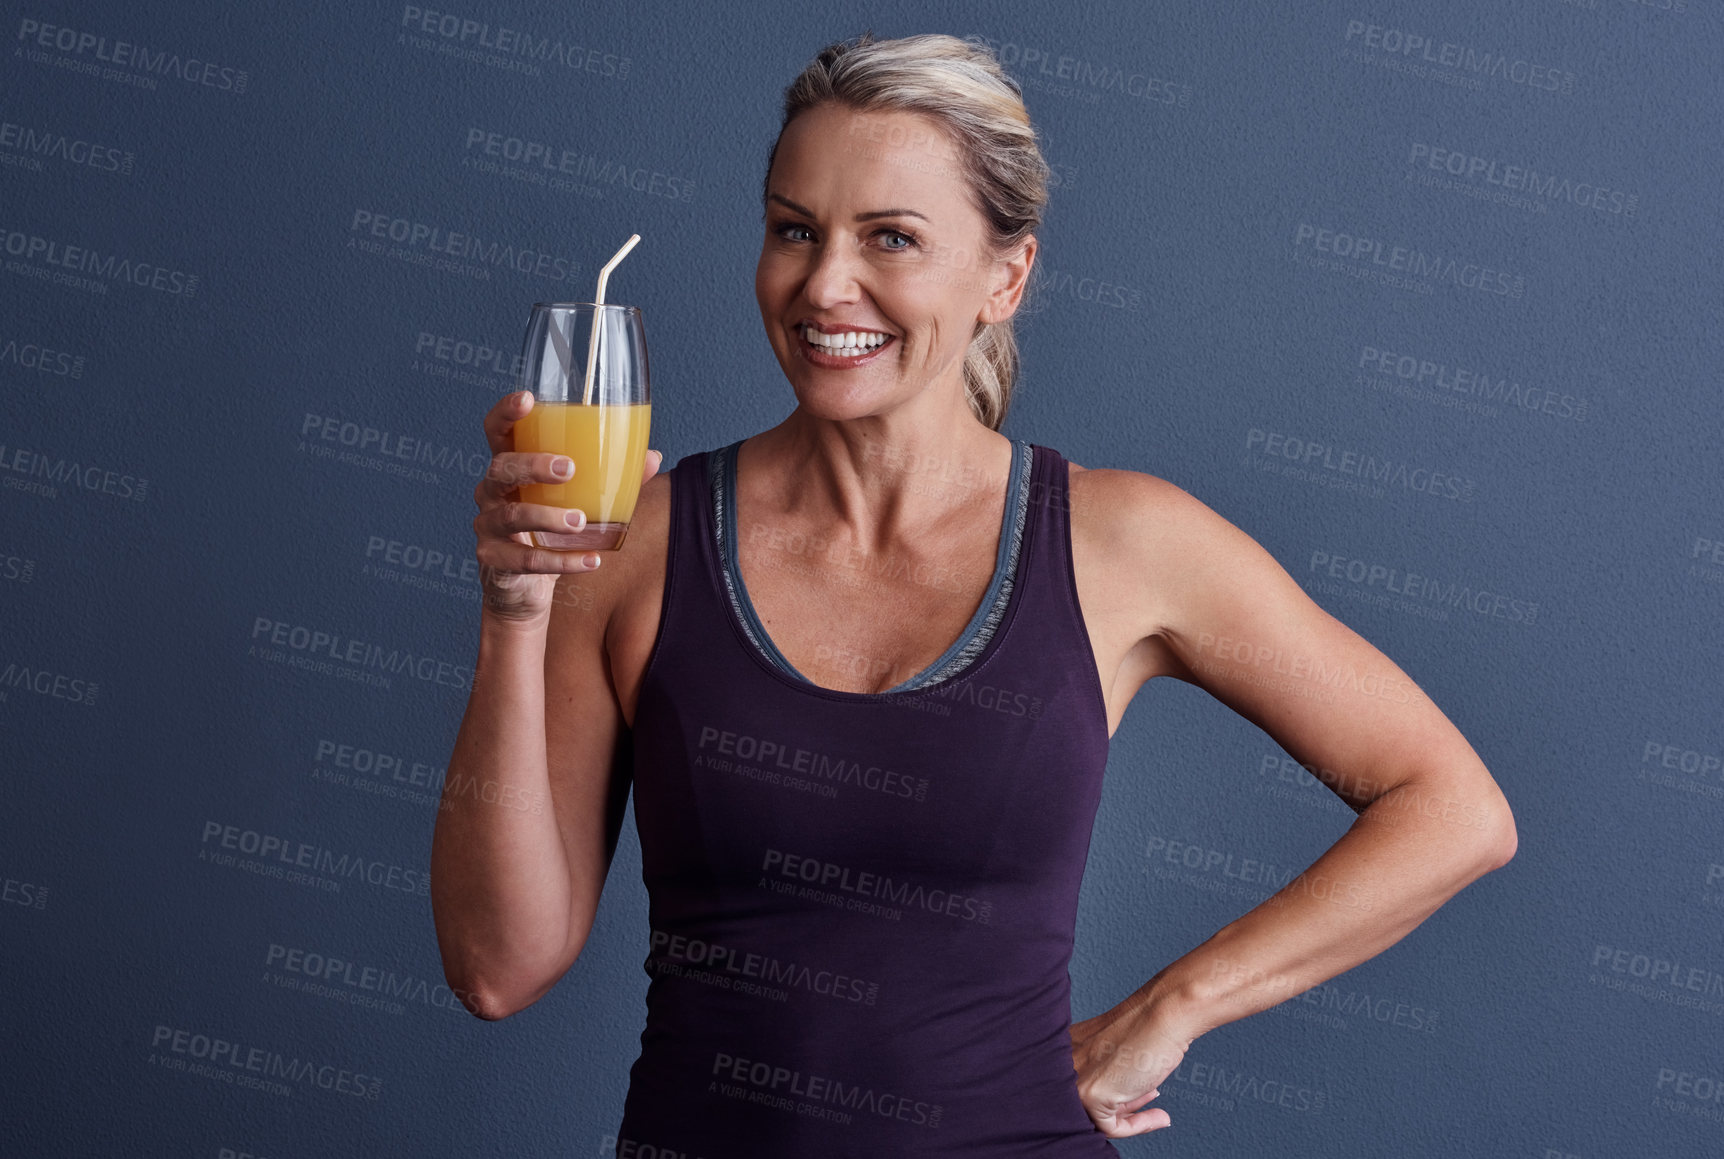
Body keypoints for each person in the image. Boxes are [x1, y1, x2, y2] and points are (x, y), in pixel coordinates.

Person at [432, 31, 1517, 1156]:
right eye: (792, 230)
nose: (822, 285)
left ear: (1007, 276)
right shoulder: (638, 544)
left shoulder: (1116, 542)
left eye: (890, 238)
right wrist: (513, 615)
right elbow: (496, 967)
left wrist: (1171, 1007)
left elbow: (1450, 807)